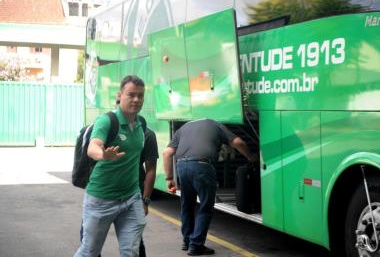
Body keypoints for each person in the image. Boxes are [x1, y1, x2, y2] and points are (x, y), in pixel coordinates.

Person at [74, 75, 146, 257]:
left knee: (131, 252)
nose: (136, 99)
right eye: (131, 95)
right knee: (89, 252)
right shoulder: (107, 121)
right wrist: (103, 155)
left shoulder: (141, 123)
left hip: (131, 198)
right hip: (101, 199)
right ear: (120, 95)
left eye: (140, 95)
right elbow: (93, 147)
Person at [163, 119, 256, 256]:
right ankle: (196, 245)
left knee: (187, 205)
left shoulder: (183, 128)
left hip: (182, 166)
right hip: (202, 166)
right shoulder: (215, 124)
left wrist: (169, 178)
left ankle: (187, 241)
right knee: (205, 206)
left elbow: (166, 153)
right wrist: (251, 156)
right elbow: (238, 143)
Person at [137, 125, 158, 257]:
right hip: (102, 195)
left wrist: (145, 201)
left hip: (132, 195)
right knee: (91, 243)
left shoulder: (147, 134)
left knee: (135, 242)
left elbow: (151, 169)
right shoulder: (104, 125)